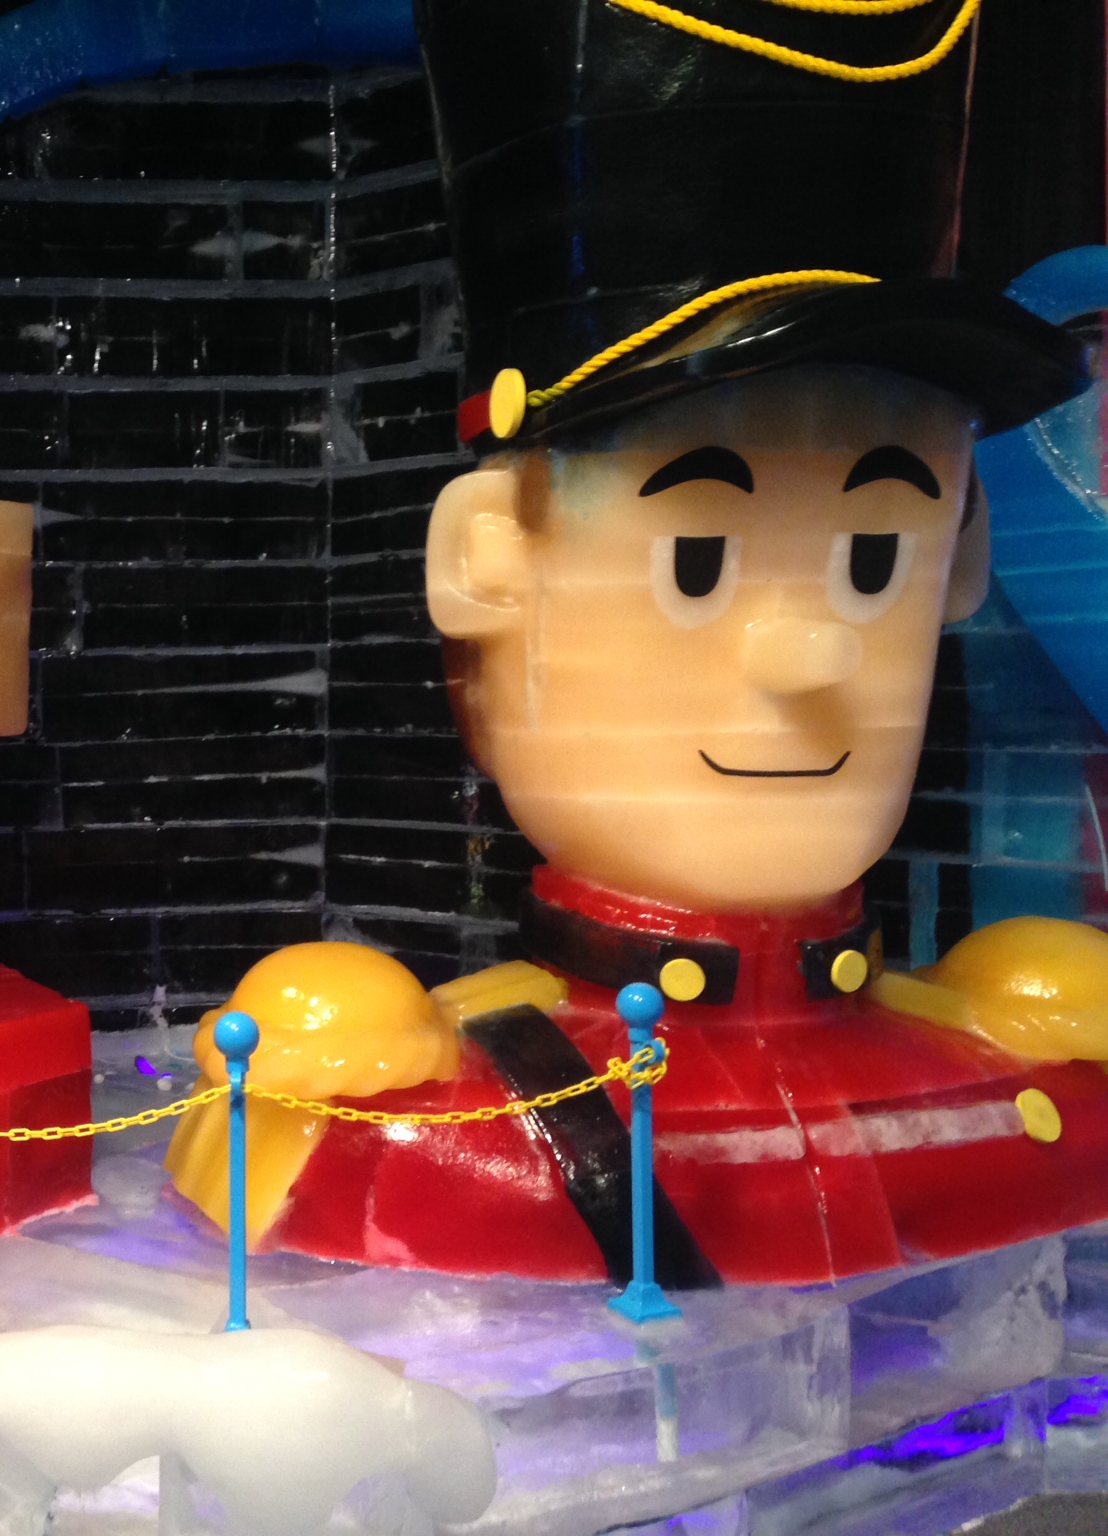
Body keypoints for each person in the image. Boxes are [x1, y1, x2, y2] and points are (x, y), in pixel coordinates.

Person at [169, 0, 1108, 1285]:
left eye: (873, 560)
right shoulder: (375, 1127)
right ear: (485, 569)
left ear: (957, 560)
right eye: (697, 559)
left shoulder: (1029, 1073)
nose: (809, 655)